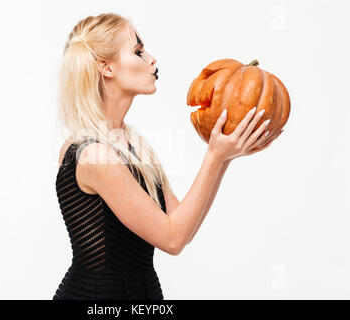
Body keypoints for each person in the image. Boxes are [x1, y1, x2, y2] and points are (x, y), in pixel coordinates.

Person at [53, 13, 282, 300]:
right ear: (106, 67)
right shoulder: (94, 155)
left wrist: (224, 157)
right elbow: (171, 240)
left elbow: (181, 226)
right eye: (138, 51)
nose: (151, 59)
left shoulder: (130, 143)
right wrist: (214, 157)